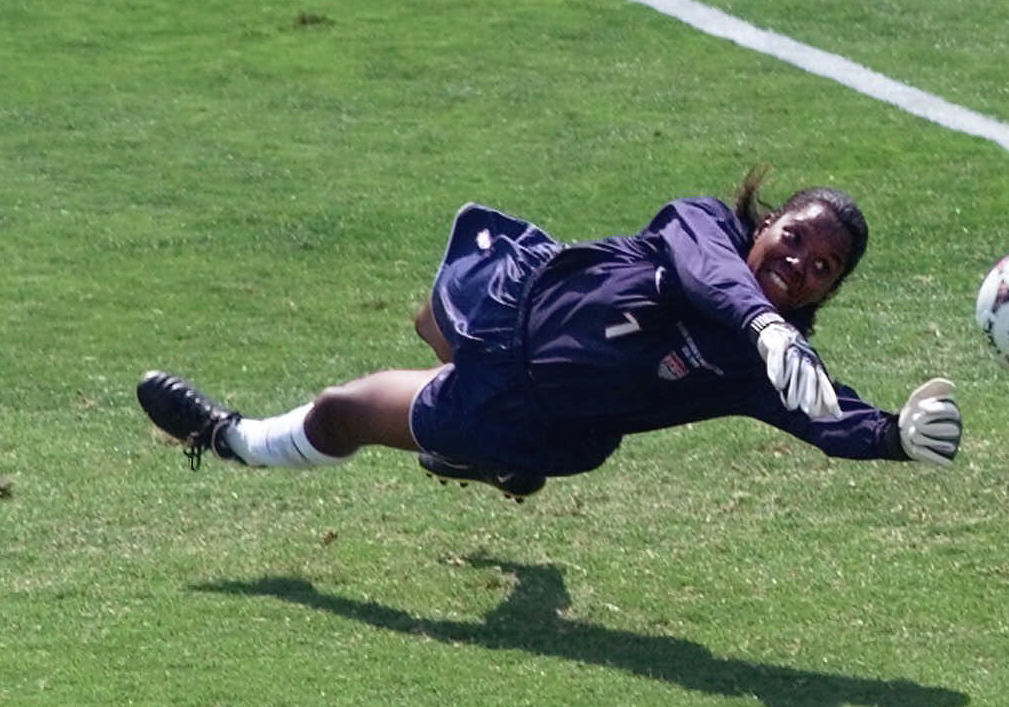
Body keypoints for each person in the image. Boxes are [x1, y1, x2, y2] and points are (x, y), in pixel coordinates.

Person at [136, 167, 962, 501]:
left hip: (529, 407)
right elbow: (710, 269)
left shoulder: (764, 367)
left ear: (834, 289)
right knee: (429, 315)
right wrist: (763, 323)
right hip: (516, 296)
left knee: (342, 408)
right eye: (795, 239)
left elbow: (828, 418)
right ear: (769, 218)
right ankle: (487, 457)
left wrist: (896, 435)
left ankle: (229, 435)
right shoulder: (701, 224)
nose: (800, 265)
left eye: (824, 268)